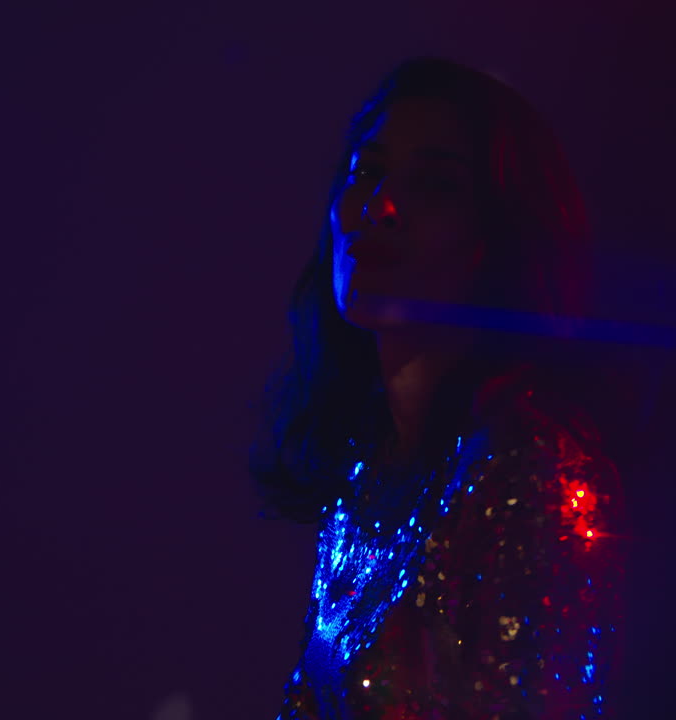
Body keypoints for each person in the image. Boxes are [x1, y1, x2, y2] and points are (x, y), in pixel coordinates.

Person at [250, 56, 626, 720]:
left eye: (433, 185)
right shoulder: (369, 477)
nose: (377, 205)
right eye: (365, 172)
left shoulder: (534, 475)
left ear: (500, 233)